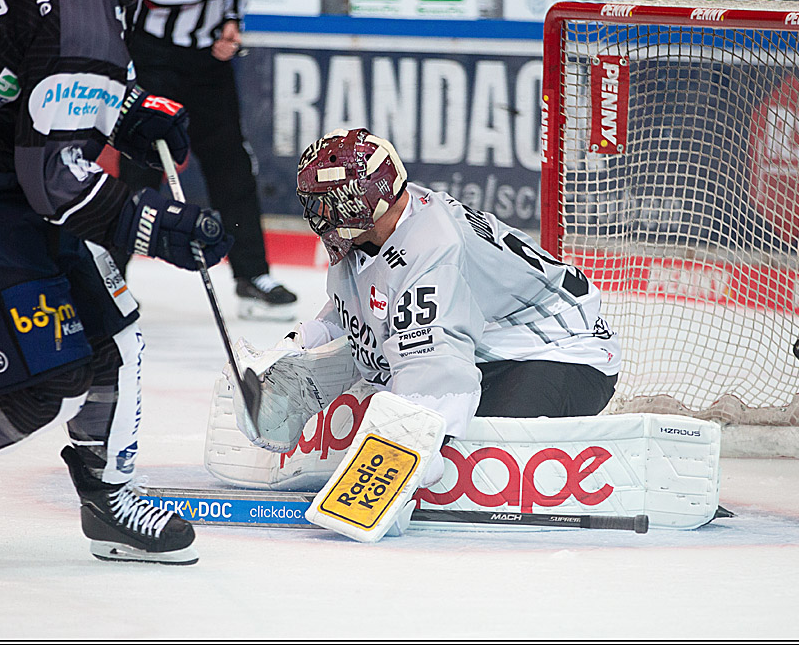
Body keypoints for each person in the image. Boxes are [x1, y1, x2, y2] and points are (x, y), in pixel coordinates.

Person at [0, 0, 234, 567]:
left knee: (116, 336)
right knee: (45, 381)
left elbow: (36, 79)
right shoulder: (81, 17)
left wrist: (131, 109)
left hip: (9, 175)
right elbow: (55, 181)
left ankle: (108, 496)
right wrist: (158, 225)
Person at [231, 128, 622, 540]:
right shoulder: (376, 222)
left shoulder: (433, 253)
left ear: (362, 202)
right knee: (401, 397)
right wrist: (301, 345)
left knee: (476, 464)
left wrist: (402, 457)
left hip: (565, 353)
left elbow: (435, 369)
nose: (318, 216)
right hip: (487, 343)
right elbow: (362, 306)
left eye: (327, 204)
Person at [113, 0, 298, 321]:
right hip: (156, 57)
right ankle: (109, 279)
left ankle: (251, 276)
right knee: (140, 171)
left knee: (233, 167)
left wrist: (231, 24)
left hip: (209, 62)